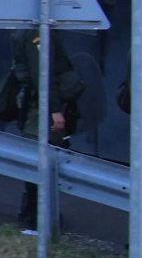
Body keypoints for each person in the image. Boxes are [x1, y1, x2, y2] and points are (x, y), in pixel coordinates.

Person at [1, 30, 84, 228]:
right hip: (39, 108)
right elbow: (42, 74)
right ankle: (35, 217)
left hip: (41, 106)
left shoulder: (43, 31)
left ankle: (38, 214)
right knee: (38, 158)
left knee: (43, 156)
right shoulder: (34, 33)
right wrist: (54, 109)